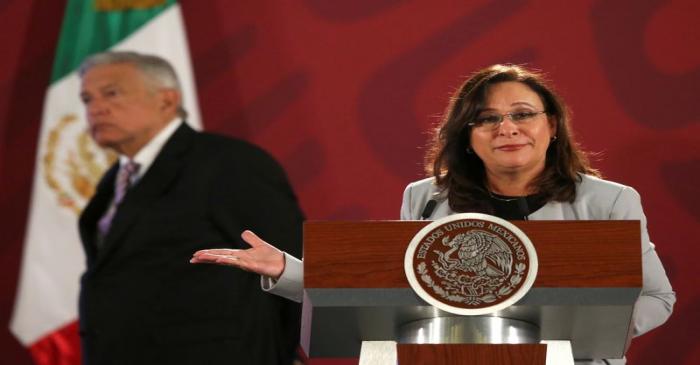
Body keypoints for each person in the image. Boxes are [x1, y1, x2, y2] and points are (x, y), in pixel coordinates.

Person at [191, 64, 676, 364]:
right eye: (486, 118)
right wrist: (288, 270)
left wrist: (590, 329)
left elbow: (658, 298)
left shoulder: (609, 201)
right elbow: (394, 293)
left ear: (551, 125)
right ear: (467, 135)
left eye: (522, 114)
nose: (506, 127)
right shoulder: (426, 198)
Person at [78, 51, 304, 365]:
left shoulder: (228, 163)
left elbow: (291, 268)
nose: (96, 108)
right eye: (87, 99)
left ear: (166, 100)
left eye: (111, 93)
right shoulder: (113, 181)